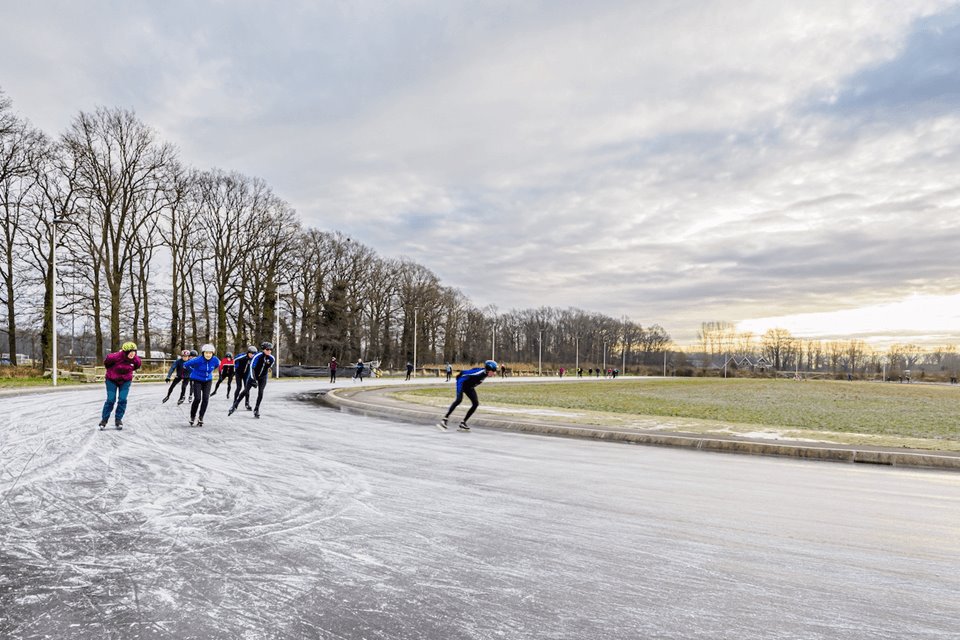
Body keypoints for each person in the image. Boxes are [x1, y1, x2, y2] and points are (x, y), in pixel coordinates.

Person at [437, 360, 497, 432]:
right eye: (493, 371)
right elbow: (464, 373)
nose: (495, 373)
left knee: (475, 403)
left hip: (469, 387)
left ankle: (463, 423)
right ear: (488, 370)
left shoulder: (485, 373)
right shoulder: (479, 372)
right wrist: (459, 377)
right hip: (462, 383)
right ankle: (444, 419)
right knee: (459, 400)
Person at [100, 341, 142, 430]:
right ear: (125, 352)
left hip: (125, 381)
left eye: (133, 352)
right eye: (130, 353)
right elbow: (106, 363)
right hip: (111, 380)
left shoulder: (136, 360)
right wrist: (112, 371)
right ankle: (104, 420)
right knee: (111, 400)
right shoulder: (114, 357)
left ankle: (118, 419)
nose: (132, 354)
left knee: (122, 399)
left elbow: (136, 366)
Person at [184, 344, 220, 427]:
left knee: (205, 399)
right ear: (203, 353)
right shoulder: (198, 360)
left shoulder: (215, 360)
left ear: (213, 354)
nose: (208, 355)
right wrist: (193, 371)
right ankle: (192, 417)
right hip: (197, 380)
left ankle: (201, 417)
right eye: (206, 353)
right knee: (197, 399)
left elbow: (217, 366)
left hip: (208, 381)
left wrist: (209, 373)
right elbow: (185, 365)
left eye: (210, 353)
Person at [246, 341, 276, 418]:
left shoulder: (272, 358)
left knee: (261, 392)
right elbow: (252, 367)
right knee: (246, 390)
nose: (269, 351)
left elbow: (269, 367)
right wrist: (254, 379)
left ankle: (256, 409)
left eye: (270, 349)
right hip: (255, 375)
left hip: (263, 377)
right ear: (263, 349)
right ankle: (240, 403)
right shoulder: (257, 356)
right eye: (267, 349)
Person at [228, 345, 258, 416]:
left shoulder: (254, 358)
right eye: (251, 353)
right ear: (248, 352)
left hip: (246, 374)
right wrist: (235, 368)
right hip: (239, 373)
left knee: (246, 388)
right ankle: (235, 403)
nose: (252, 355)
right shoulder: (242, 356)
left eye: (254, 354)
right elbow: (234, 360)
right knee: (239, 387)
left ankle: (247, 403)